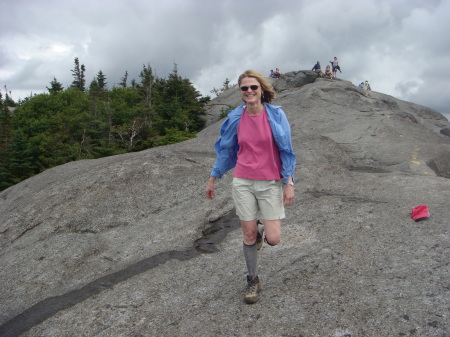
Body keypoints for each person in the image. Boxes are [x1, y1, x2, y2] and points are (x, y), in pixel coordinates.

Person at [205, 69, 296, 304]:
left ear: (262, 89)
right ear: (241, 92)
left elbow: (287, 150)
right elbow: (226, 150)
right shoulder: (236, 118)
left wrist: (289, 182)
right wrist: (214, 177)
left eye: (253, 87)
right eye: (244, 88)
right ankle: (252, 279)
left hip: (270, 181)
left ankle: (261, 230)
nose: (249, 91)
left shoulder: (275, 115)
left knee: (274, 239)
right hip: (243, 180)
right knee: (247, 234)